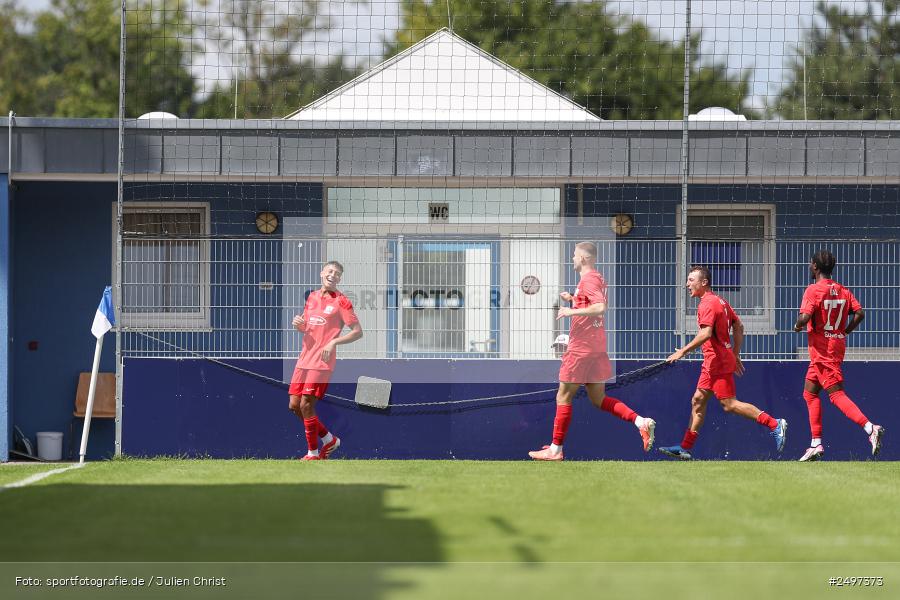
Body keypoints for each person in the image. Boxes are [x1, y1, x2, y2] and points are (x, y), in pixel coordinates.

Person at [529, 242, 656, 461]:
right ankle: (640, 422)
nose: (572, 259)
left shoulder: (588, 280)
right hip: (597, 347)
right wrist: (574, 300)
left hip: (581, 348)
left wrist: (569, 311)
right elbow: (592, 302)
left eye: (574, 255)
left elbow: (600, 307)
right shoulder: (595, 277)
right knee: (598, 399)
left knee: (563, 395)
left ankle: (555, 449)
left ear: (584, 259)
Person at [659, 266, 787, 460]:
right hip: (713, 361)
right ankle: (685, 448)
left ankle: (775, 424)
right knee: (698, 401)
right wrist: (734, 354)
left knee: (729, 404)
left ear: (704, 282)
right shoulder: (720, 301)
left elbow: (706, 333)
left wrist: (682, 352)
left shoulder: (707, 304)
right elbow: (739, 326)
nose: (687, 284)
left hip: (716, 361)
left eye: (691, 280)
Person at [793, 250, 884, 462]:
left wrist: (798, 325)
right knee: (810, 393)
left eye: (810, 264)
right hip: (832, 347)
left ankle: (870, 428)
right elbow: (860, 313)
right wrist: (845, 331)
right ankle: (816, 443)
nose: (809, 266)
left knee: (835, 395)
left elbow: (805, 316)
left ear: (815, 267)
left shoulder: (813, 290)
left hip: (824, 351)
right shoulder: (842, 290)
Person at [290, 261, 363, 460]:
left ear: (340, 279)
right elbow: (308, 326)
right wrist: (299, 325)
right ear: (322, 272)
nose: (333, 275)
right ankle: (329, 439)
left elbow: (358, 332)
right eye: (330, 271)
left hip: (322, 362)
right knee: (295, 405)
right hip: (304, 359)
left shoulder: (342, 302)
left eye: (337, 274)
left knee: (306, 405)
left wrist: (333, 343)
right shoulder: (312, 297)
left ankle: (312, 453)